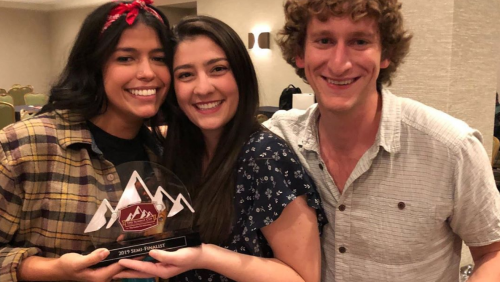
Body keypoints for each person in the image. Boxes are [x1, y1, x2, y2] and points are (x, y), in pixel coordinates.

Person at [263, 0, 500, 281]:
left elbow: (493, 253)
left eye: (359, 41)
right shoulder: (276, 142)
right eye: (324, 40)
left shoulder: (451, 148)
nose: (339, 63)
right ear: (300, 53)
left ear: (385, 54)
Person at [116, 15, 327, 282]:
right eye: (185, 75)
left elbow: (303, 278)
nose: (203, 88)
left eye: (218, 69)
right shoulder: (177, 152)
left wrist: (205, 256)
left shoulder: (265, 156)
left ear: (241, 75)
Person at [0, 0, 174, 281]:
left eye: (159, 57)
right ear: (94, 65)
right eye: (125, 58)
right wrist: (51, 270)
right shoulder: (24, 146)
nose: (148, 72)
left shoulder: (166, 153)